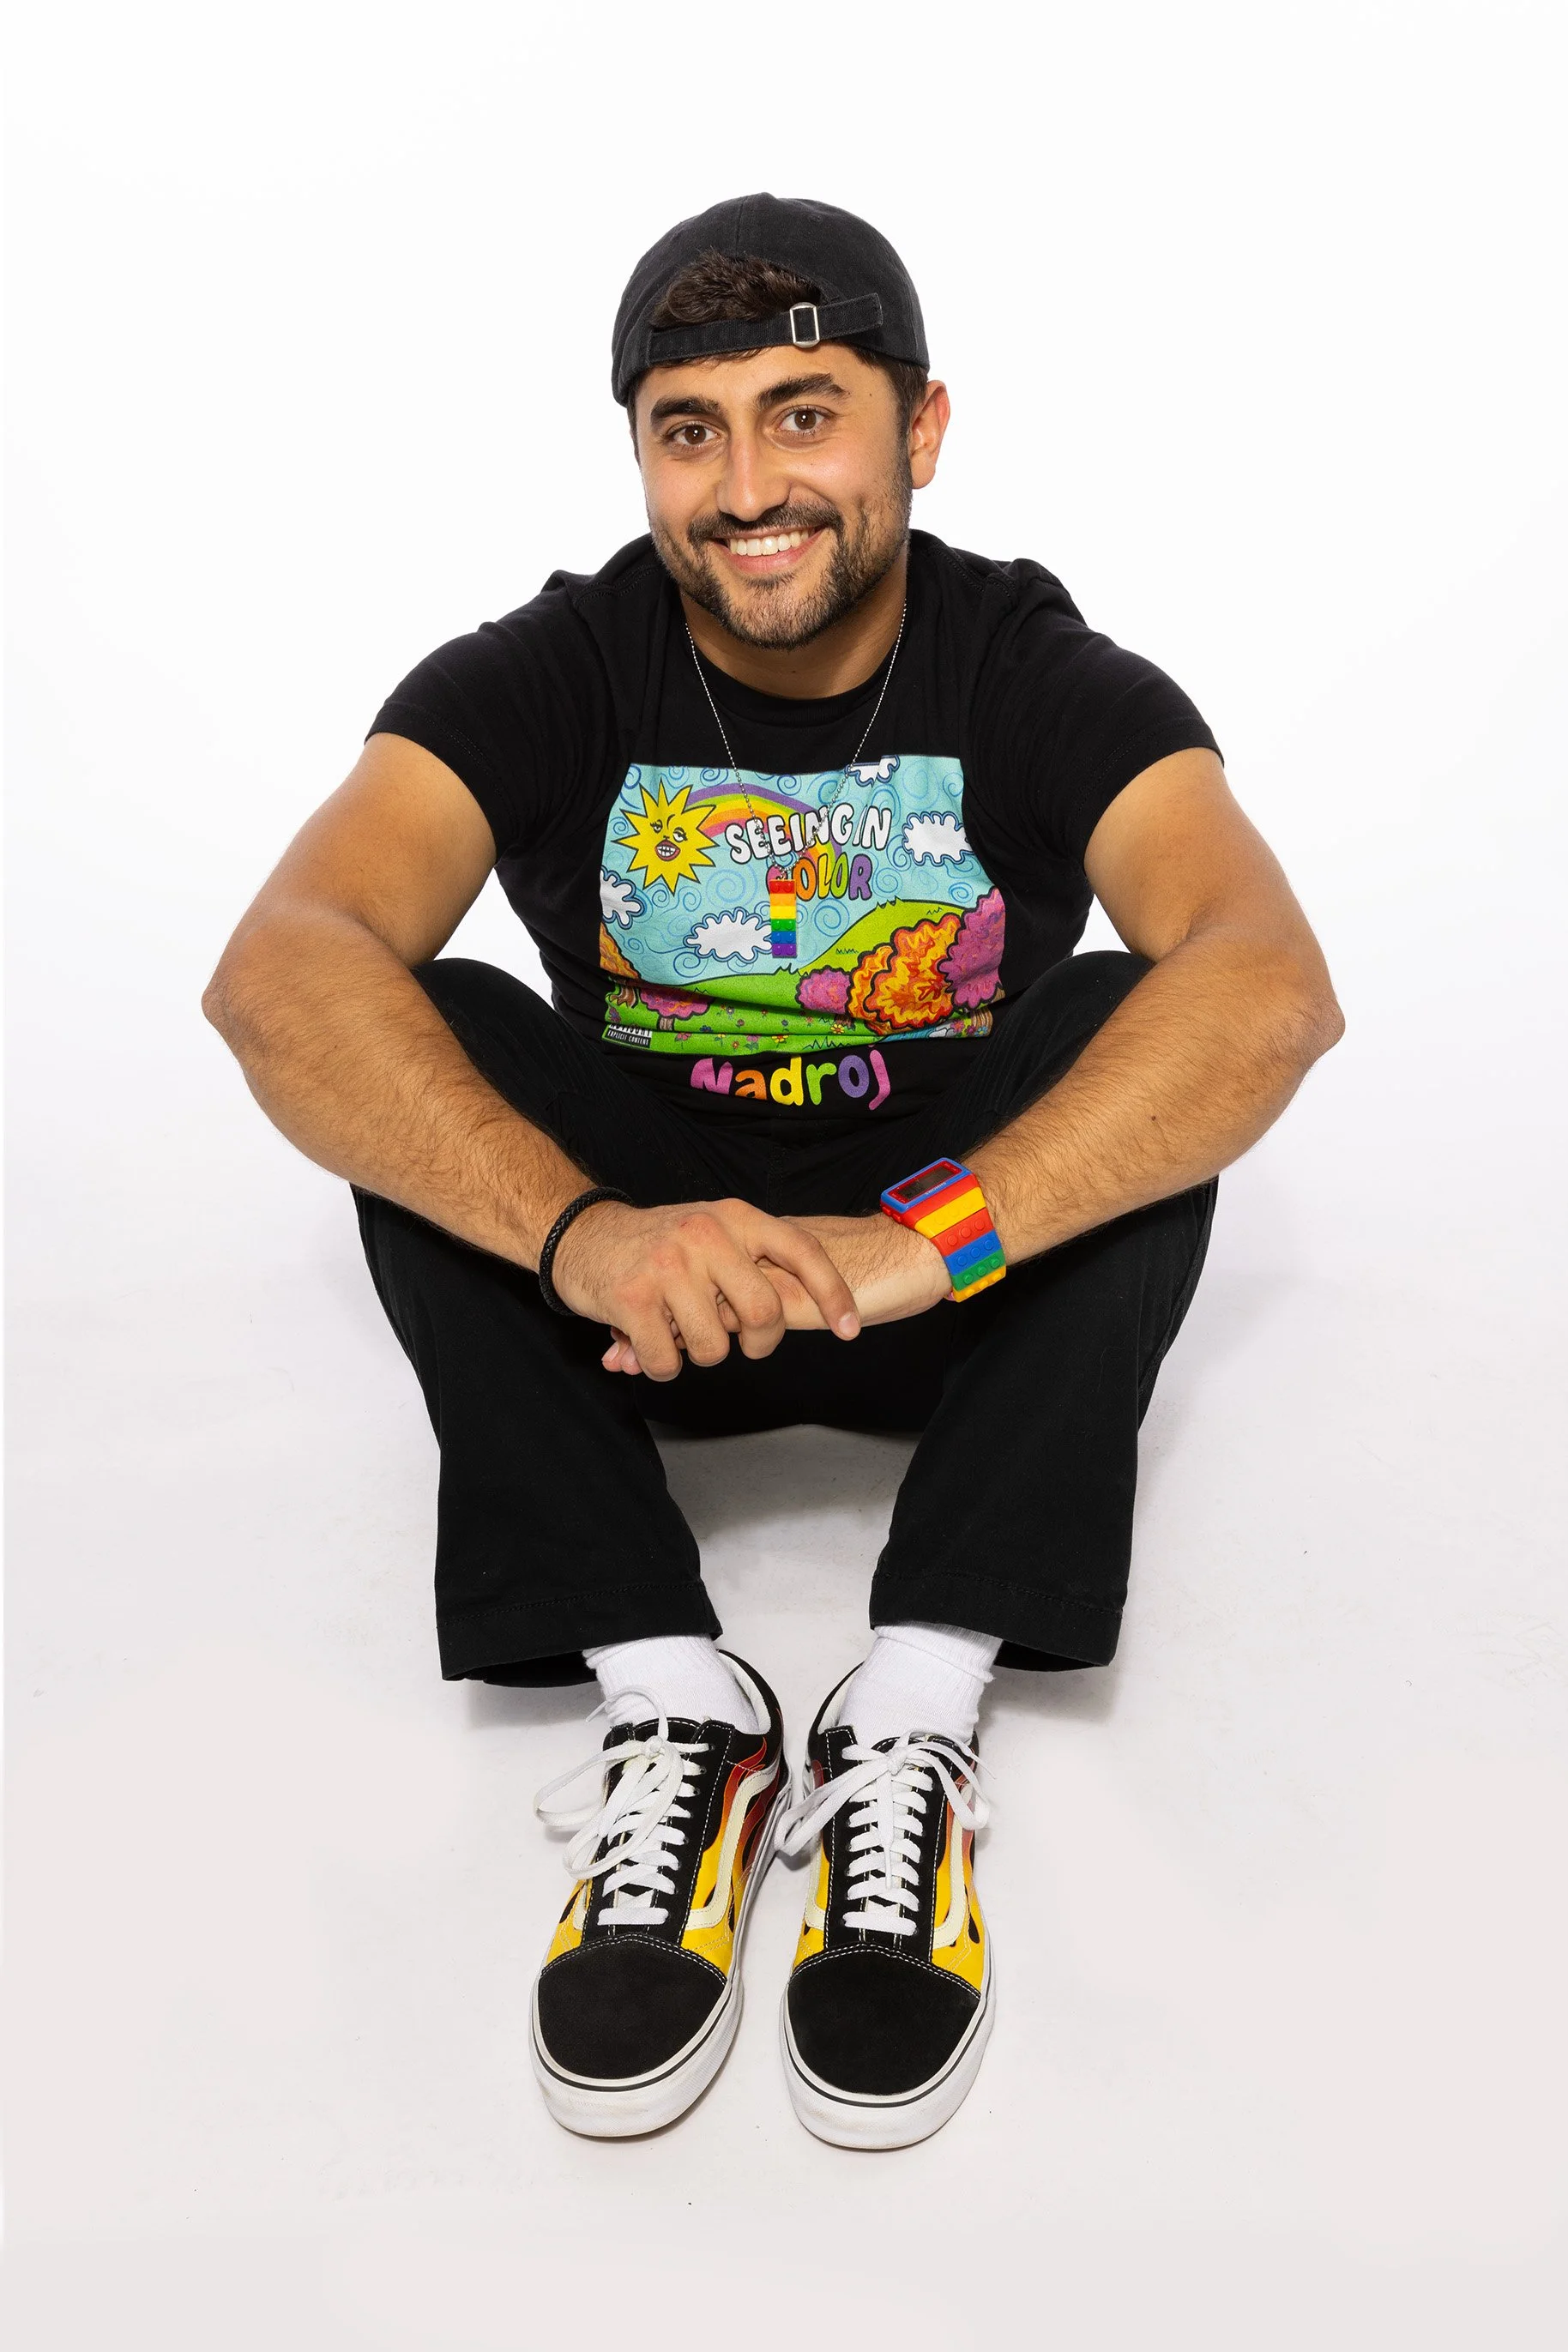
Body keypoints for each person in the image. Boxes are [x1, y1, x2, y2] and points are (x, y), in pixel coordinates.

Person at [204, 194, 1342, 2149]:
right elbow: (278, 969)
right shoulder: (553, 664)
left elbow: (1266, 985)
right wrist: (580, 1233)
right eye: (689, 427)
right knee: (418, 1027)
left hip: (947, 1281)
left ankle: (911, 1701)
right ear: (639, 454)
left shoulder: (1037, 669)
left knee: (1137, 1022)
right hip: (650, 1291)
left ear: (920, 428)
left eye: (803, 414)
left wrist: (930, 1239)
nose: (747, 486)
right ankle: (679, 1706)